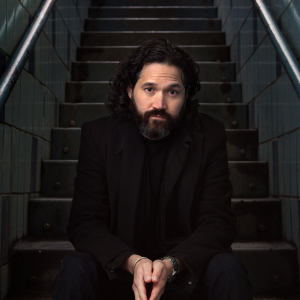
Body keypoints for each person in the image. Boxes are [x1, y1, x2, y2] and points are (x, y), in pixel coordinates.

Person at [52, 38, 253, 300]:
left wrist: (171, 265)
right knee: (75, 266)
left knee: (228, 268)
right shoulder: (99, 136)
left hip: (183, 276)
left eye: (172, 91)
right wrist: (133, 263)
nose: (159, 103)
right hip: (117, 273)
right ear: (129, 90)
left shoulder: (209, 135)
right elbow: (84, 222)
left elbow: (219, 222)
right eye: (149, 89)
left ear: (186, 94)